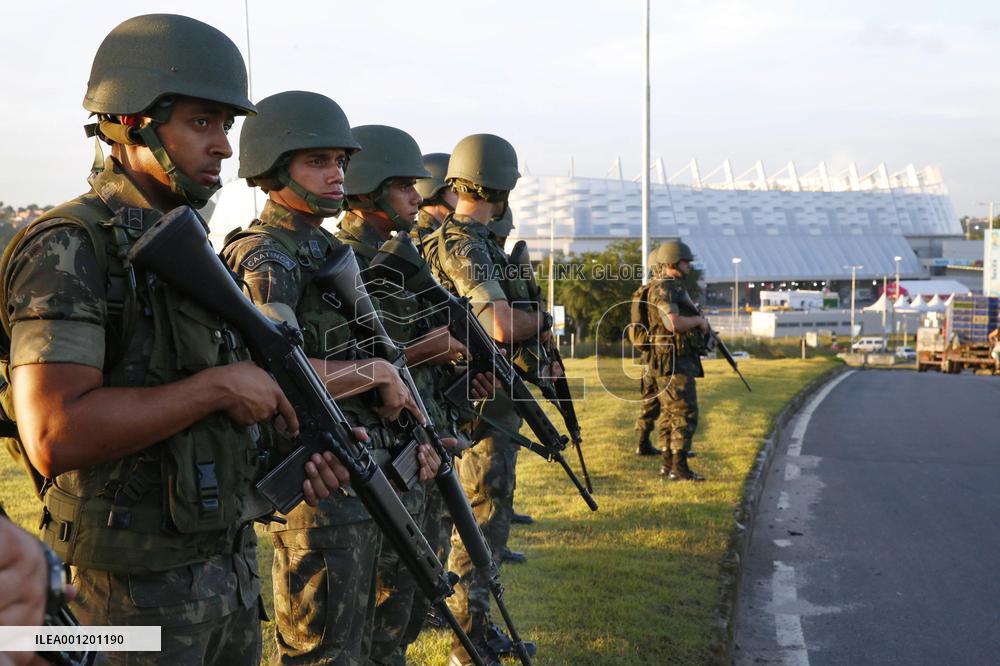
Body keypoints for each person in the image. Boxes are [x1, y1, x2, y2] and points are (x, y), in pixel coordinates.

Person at [0, 16, 345, 665]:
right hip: (121, 600)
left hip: (224, 580)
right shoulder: (72, 245)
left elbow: (199, 419)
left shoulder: (190, 254)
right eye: (201, 123)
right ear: (131, 123)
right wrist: (217, 386)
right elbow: (52, 433)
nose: (222, 146)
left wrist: (288, 458)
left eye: (227, 127)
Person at [222, 92, 439, 665]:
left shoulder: (326, 249)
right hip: (323, 493)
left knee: (386, 642)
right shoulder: (267, 256)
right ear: (273, 169)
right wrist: (372, 374)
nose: (337, 173)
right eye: (318, 161)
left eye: (340, 161)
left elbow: (379, 352)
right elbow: (273, 372)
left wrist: (422, 438)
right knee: (326, 654)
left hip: (376, 471)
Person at [338, 124, 496, 665]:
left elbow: (401, 352)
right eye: (404, 185)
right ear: (368, 190)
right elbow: (342, 363)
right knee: (348, 634)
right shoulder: (341, 262)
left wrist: (453, 377)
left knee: (399, 619)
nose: (418, 194)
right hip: (362, 462)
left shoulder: (402, 259)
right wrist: (433, 350)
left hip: (414, 446)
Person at [423, 134, 553, 666]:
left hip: (476, 398)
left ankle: (475, 631)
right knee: (481, 520)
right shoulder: (466, 243)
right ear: (502, 189)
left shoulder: (452, 240)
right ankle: (470, 640)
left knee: (475, 517)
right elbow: (499, 325)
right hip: (475, 402)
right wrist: (543, 321)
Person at [632, 241, 709, 481]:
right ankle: (679, 467)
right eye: (685, 262)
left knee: (668, 414)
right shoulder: (665, 289)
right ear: (673, 262)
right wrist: (698, 323)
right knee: (684, 413)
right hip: (673, 362)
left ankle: (668, 465)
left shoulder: (663, 287)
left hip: (665, 361)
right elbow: (672, 322)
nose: (689, 266)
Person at [412, 153, 455, 254]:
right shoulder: (416, 243)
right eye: (455, 189)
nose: (463, 196)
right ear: (435, 192)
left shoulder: (448, 235)